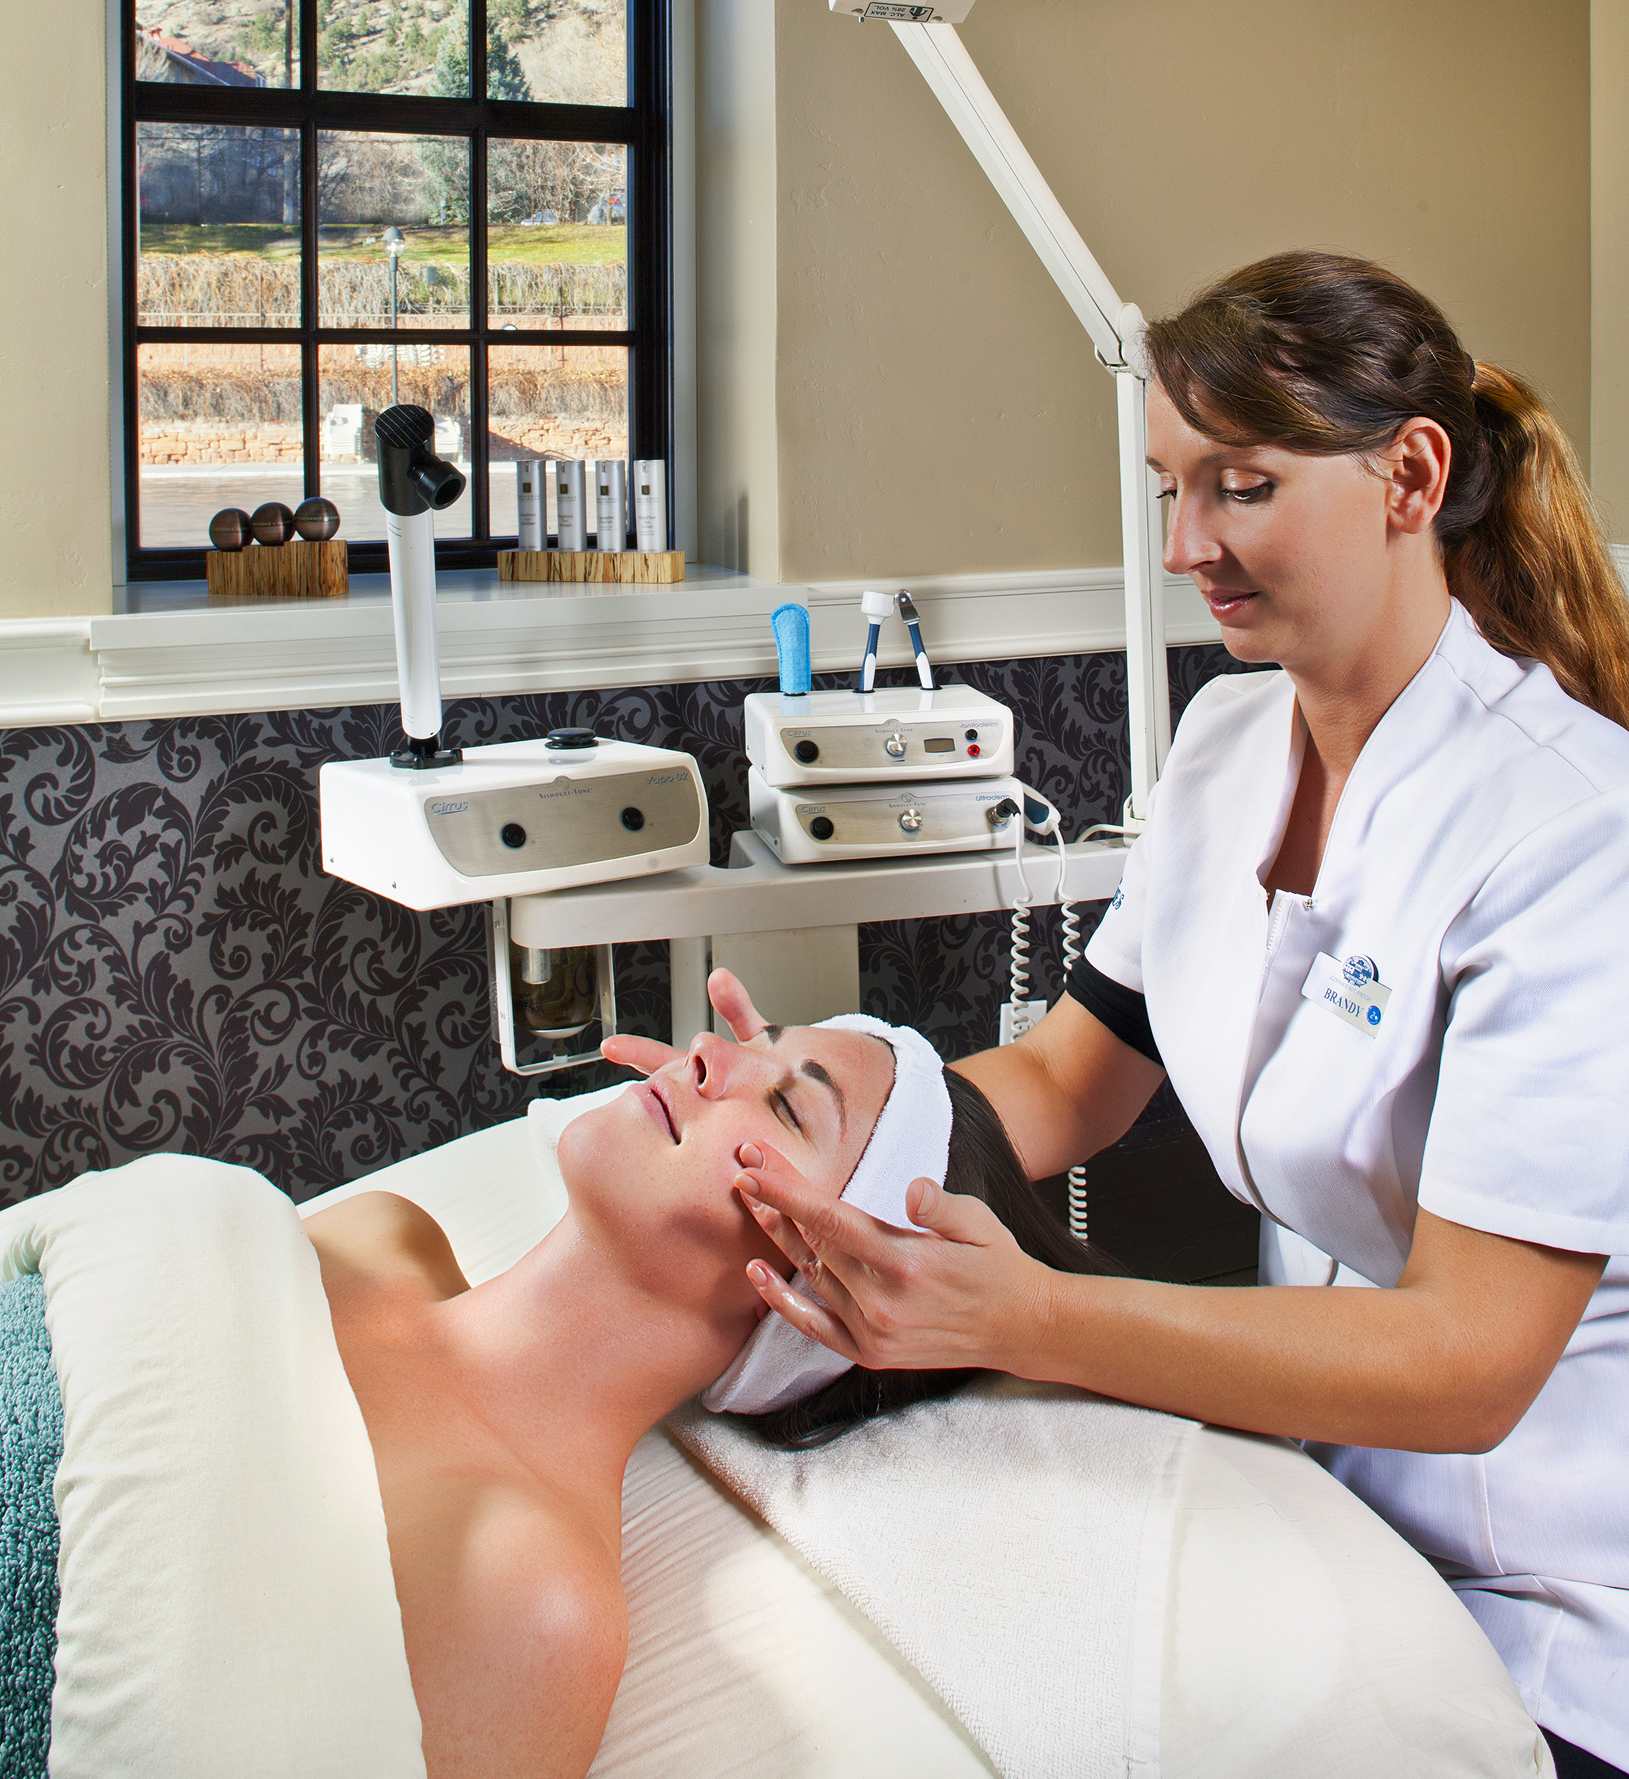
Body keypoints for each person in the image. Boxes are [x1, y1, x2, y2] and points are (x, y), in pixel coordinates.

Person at [628, 255, 1629, 1779]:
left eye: (1239, 489)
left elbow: (1470, 1363)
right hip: (1315, 1509)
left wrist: (1030, 1317)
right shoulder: (1231, 740)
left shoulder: (1569, 833)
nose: (1185, 549)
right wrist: (794, 1114)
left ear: (1409, 476)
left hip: (1547, 1586)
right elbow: (1061, 1079)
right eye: (1172, 488)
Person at [303, 997, 1097, 1779]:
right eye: (756, 1042)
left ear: (815, 1296)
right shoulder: (377, 1232)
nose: (705, 1052)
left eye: (787, 1107)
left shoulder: (533, 1602)